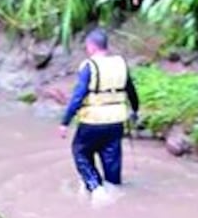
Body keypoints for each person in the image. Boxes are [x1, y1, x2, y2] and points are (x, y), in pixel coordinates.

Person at [58, 28, 140, 195]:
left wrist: (65, 122)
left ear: (91, 47)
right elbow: (131, 91)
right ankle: (114, 188)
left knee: (80, 151)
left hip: (92, 121)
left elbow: (78, 96)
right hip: (117, 121)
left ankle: (95, 187)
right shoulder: (120, 64)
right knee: (112, 158)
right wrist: (135, 110)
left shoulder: (90, 66)